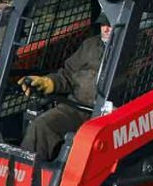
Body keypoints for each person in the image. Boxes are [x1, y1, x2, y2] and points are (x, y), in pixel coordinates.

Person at [19, 14, 111, 160]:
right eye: (103, 25)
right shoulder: (90, 46)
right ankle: (26, 174)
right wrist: (49, 82)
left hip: (111, 116)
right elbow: (67, 74)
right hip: (77, 108)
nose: (105, 29)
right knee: (41, 126)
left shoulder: (136, 48)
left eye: (110, 25)